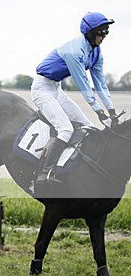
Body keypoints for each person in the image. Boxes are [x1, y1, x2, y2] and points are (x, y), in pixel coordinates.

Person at [31, 11, 117, 189]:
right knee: (65, 129)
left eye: (107, 32)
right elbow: (83, 84)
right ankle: (44, 173)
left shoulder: (96, 53)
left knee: (86, 126)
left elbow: (100, 83)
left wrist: (111, 110)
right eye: (102, 32)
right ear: (91, 32)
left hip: (56, 89)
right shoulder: (73, 51)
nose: (105, 36)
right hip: (42, 88)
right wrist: (98, 111)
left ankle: (74, 168)